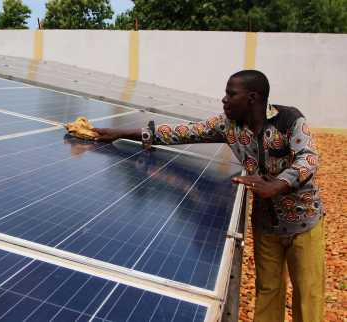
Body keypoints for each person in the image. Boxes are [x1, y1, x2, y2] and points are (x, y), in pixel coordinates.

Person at [93, 70, 325, 322]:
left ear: (252, 98)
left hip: (304, 222)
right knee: (268, 290)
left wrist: (278, 184)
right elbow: (182, 132)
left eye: (230, 94)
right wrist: (122, 133)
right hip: (265, 224)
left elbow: (309, 158)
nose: (224, 99)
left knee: (308, 294)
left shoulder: (289, 119)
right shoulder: (228, 126)